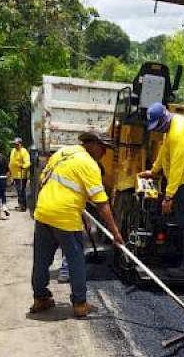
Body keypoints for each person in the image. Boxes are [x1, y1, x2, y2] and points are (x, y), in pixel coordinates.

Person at [30, 132, 123, 317]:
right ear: (94, 145)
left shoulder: (62, 153)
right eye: (104, 149)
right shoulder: (89, 164)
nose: (104, 153)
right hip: (65, 217)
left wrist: (82, 214)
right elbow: (102, 204)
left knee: (41, 260)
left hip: (43, 212)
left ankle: (40, 298)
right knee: (76, 261)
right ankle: (80, 304)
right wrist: (116, 233)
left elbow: (48, 182)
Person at [139, 102, 184, 279]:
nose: (158, 130)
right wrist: (154, 171)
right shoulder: (171, 126)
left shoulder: (177, 132)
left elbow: (177, 166)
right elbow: (164, 151)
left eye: (158, 125)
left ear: (164, 117)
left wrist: (168, 196)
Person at [9, 138, 31, 211]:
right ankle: (20, 204)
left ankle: (23, 206)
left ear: (20, 144)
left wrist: (22, 166)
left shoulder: (24, 151)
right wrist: (10, 174)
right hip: (15, 175)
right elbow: (11, 162)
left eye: (17, 144)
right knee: (18, 191)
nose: (15, 146)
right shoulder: (13, 151)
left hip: (21, 175)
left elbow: (27, 163)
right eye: (14, 144)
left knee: (21, 190)